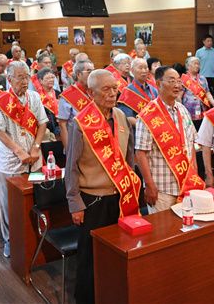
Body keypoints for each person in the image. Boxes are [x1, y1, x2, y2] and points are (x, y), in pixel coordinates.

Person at [65, 69, 140, 304]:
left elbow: (128, 156)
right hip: (93, 200)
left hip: (121, 196)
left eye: (115, 88)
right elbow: (71, 166)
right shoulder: (80, 123)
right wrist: (75, 203)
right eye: (106, 89)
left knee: (118, 251)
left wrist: (131, 186)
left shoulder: (120, 116)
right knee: (89, 256)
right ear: (91, 92)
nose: (113, 93)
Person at [0, 61, 48, 258]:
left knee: (36, 195)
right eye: (20, 78)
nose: (25, 81)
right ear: (9, 79)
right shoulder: (1, 101)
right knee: (9, 203)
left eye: (27, 77)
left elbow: (42, 123)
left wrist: (35, 147)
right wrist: (19, 152)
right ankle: (10, 240)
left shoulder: (34, 97)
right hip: (10, 162)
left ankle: (33, 237)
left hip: (34, 159)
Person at [137, 66, 203, 211]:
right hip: (162, 189)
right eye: (172, 81)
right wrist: (149, 185)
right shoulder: (148, 115)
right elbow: (140, 153)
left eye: (179, 81)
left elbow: (191, 142)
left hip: (187, 183)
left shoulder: (182, 109)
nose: (177, 85)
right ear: (158, 84)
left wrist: (195, 171)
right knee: (163, 226)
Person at [57, 59, 94, 149]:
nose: (92, 75)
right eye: (89, 72)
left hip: (96, 139)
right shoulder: (67, 96)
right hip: (77, 143)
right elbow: (62, 125)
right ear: (78, 74)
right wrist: (68, 150)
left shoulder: (95, 91)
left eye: (94, 72)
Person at [118, 58, 158, 129]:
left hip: (155, 128)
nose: (144, 71)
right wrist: (146, 128)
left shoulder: (153, 90)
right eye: (140, 68)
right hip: (138, 131)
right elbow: (127, 117)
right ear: (132, 71)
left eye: (145, 68)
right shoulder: (127, 92)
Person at [33, 68, 60, 135]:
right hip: (45, 129)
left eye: (52, 77)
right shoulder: (36, 96)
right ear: (40, 81)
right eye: (47, 78)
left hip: (60, 126)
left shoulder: (58, 94)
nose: (51, 80)